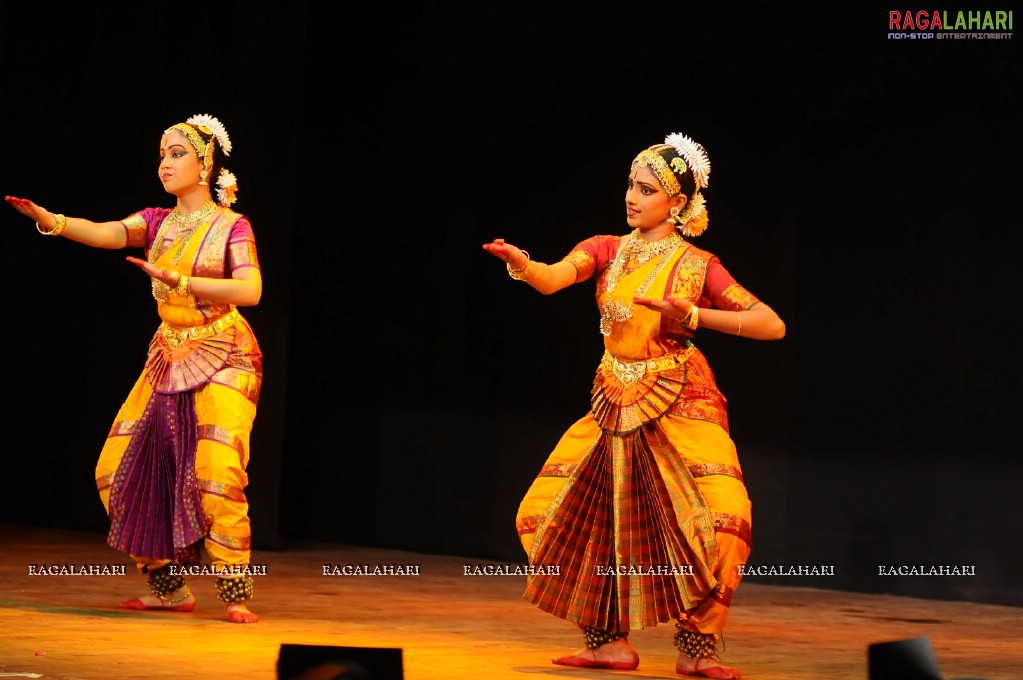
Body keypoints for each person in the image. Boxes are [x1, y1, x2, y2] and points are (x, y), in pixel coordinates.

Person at [483, 132, 785, 679]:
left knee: (723, 522)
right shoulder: (606, 249)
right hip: (613, 402)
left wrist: (694, 316)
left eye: (646, 189)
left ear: (679, 203)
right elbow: (554, 278)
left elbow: (771, 323)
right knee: (546, 515)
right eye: (630, 184)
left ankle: (697, 650)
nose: (632, 196)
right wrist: (524, 264)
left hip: (682, 400)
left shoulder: (700, 266)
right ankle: (605, 641)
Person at [5, 113, 264, 624]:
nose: (165, 163)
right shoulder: (157, 221)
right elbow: (106, 234)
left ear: (205, 163)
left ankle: (234, 590)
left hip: (227, 353)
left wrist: (183, 282)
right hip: (169, 352)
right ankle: (169, 588)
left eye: (177, 154)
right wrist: (52, 220)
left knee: (216, 468)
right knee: (114, 469)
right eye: (162, 154)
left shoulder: (232, 226)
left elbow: (250, 291)